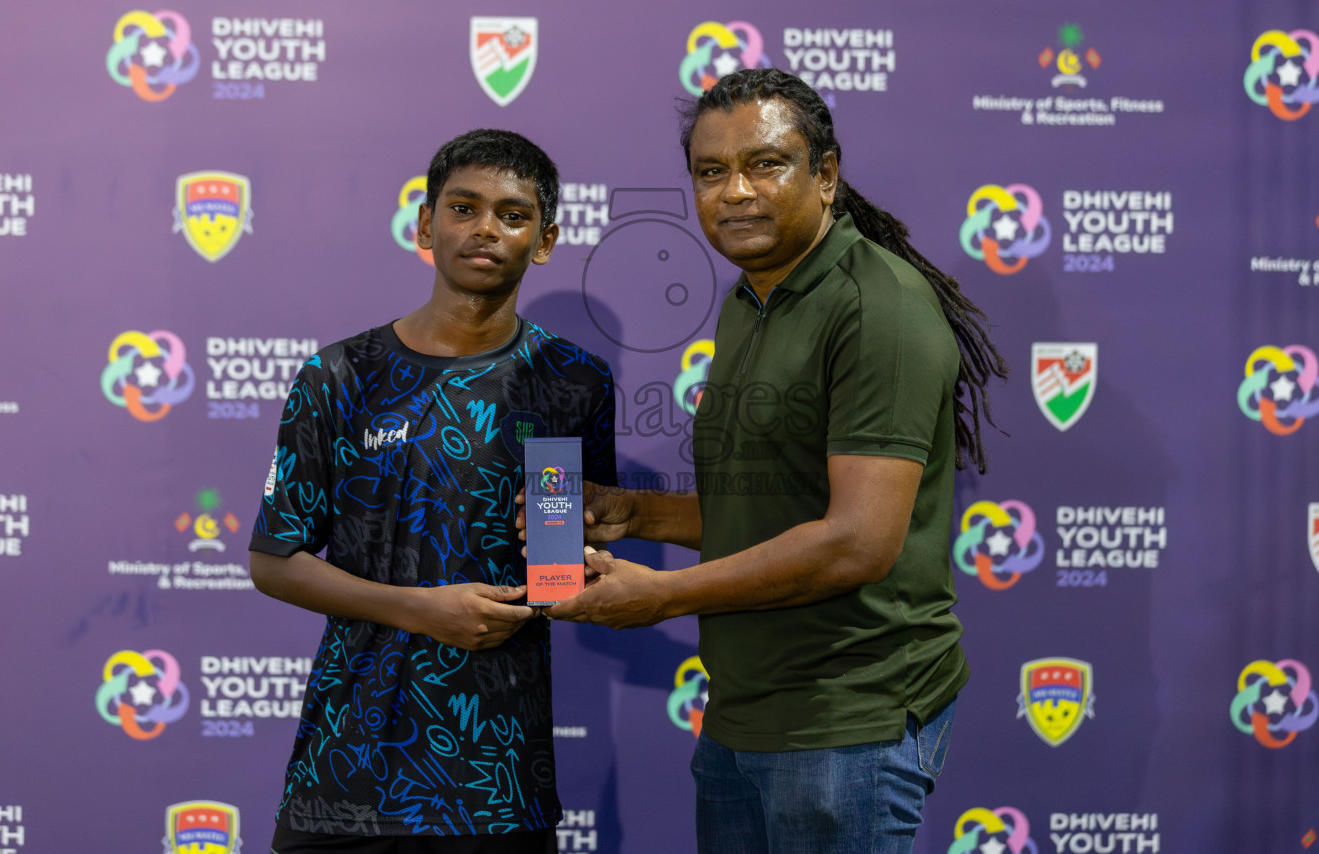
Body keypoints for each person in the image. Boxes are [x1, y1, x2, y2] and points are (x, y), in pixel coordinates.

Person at [541, 69, 1009, 854]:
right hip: (741, 717)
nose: (735, 193)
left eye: (766, 164)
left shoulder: (877, 306)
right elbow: (772, 505)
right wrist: (633, 513)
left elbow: (857, 539)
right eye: (710, 172)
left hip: (844, 727)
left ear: (826, 176)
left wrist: (663, 597)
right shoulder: (749, 298)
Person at [250, 129, 618, 854]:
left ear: (544, 240)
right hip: (345, 775)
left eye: (512, 215)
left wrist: (569, 566)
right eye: (463, 208)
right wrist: (421, 611)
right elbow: (274, 559)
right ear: (425, 225)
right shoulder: (340, 375)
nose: (485, 229)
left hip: (497, 781)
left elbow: (556, 560)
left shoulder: (572, 381)